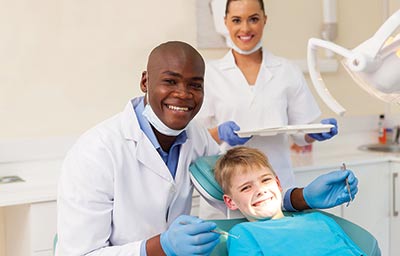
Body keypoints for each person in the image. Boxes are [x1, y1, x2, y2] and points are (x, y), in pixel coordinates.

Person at [56, 41, 357, 256]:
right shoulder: (95, 153)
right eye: (170, 81)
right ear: (145, 81)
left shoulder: (195, 135)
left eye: (195, 85)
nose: (183, 94)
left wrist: (302, 197)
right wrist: (159, 247)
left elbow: (237, 194)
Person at [197, 0, 338, 198]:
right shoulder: (209, 74)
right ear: (226, 22)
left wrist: (315, 132)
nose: (245, 28)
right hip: (226, 187)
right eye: (237, 20)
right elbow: (196, 137)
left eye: (253, 19)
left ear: (264, 20)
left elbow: (300, 132)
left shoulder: (287, 70)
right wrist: (220, 133)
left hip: (275, 184)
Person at [214, 146, 364, 255]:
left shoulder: (320, 220)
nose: (261, 190)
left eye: (265, 180)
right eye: (246, 187)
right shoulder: (243, 234)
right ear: (230, 202)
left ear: (278, 184)